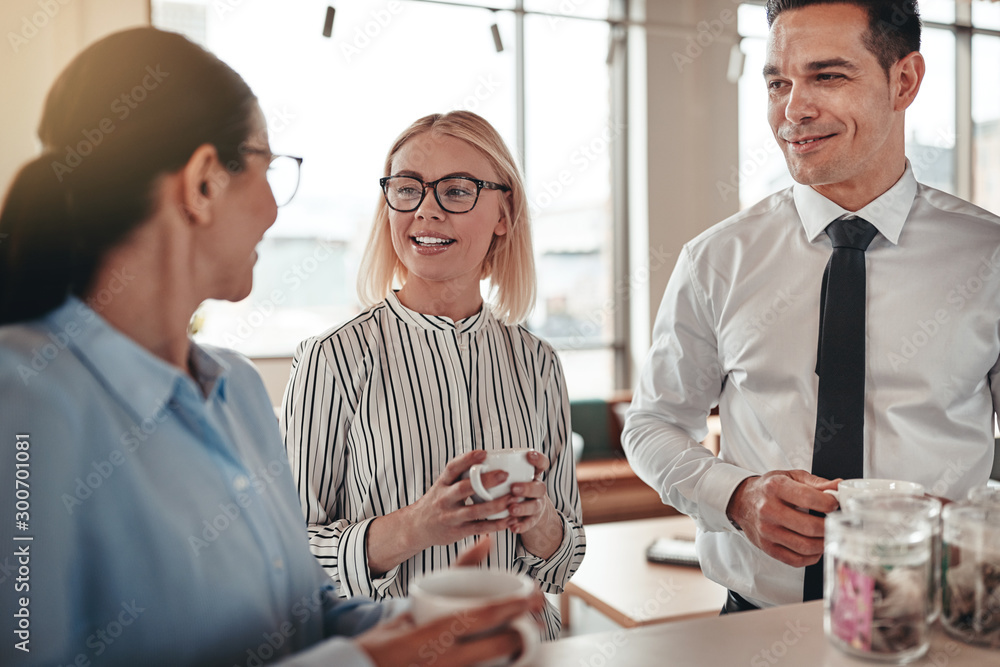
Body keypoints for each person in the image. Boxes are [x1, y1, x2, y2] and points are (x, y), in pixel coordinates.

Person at [0, 28, 542, 666]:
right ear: (204, 182)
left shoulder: (238, 390)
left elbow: (303, 615)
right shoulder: (24, 402)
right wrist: (374, 659)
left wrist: (434, 623)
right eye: (267, 167)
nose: (273, 211)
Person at [623, 0, 1000, 613]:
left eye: (828, 76)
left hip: (937, 614)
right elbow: (654, 423)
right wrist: (738, 495)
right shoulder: (717, 258)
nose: (793, 109)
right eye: (778, 82)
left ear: (903, 81)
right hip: (755, 621)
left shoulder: (989, 257)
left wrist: (974, 526)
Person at [281, 111, 585, 640]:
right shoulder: (332, 358)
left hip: (525, 648)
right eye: (407, 189)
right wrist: (415, 527)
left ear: (502, 214)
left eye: (457, 191)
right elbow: (286, 554)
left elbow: (565, 561)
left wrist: (538, 521)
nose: (426, 210)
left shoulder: (537, 363)